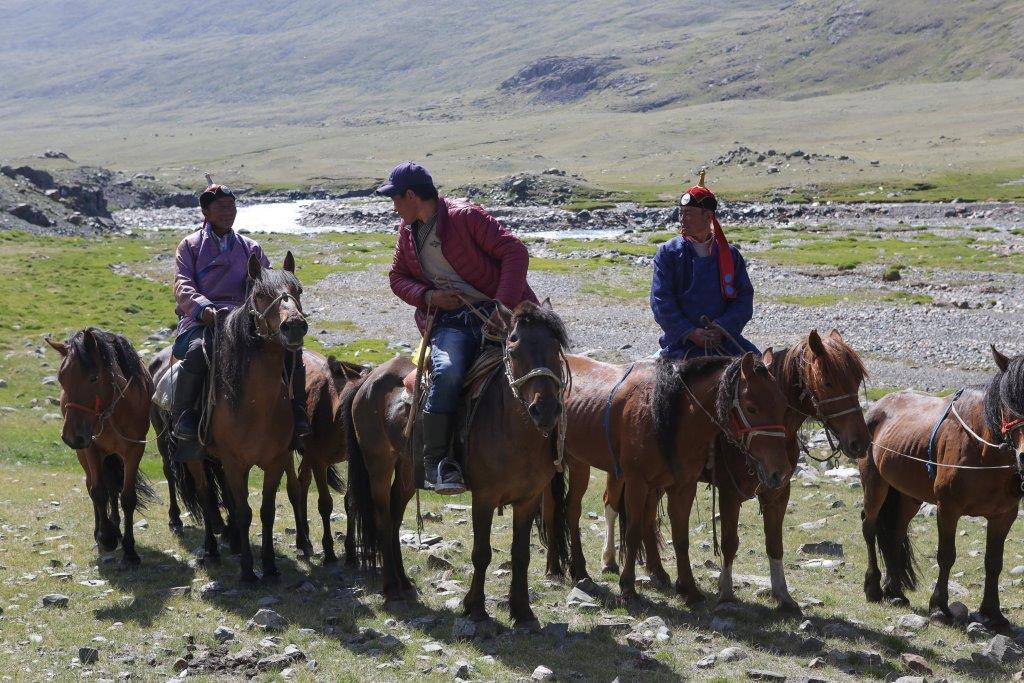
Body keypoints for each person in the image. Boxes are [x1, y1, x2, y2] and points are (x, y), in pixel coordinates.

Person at [382, 162, 537, 494]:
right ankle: (438, 463)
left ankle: (557, 447)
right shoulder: (407, 231)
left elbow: (515, 252)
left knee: (543, 366)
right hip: (450, 321)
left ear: (411, 195)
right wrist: (428, 295)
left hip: (500, 314)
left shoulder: (466, 217)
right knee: (449, 371)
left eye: (395, 198)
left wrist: (503, 306)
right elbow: (397, 278)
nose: (393, 207)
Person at [171, 183, 311, 453]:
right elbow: (183, 284)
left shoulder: (250, 247)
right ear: (205, 212)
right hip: (205, 320)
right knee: (199, 351)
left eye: (232, 207)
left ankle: (297, 410)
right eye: (221, 207)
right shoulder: (190, 246)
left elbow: (270, 283)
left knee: (290, 350)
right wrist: (204, 308)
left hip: (246, 319)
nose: (228, 212)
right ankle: (185, 415)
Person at [650, 176, 758, 359]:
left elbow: (744, 299)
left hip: (725, 341)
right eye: (681, 213)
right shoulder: (668, 253)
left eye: (689, 214)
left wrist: (721, 328)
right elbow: (661, 300)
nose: (682, 219)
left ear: (708, 217)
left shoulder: (730, 255)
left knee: (763, 373)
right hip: (681, 343)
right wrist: (691, 333)